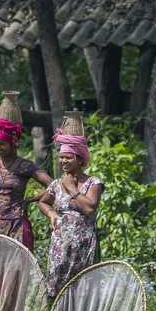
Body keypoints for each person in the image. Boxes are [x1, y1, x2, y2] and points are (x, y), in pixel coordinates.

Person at [40, 128, 103, 299]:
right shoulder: (55, 184)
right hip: (60, 244)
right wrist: (51, 213)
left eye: (68, 157)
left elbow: (90, 209)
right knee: (57, 288)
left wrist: (71, 188)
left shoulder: (93, 183)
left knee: (81, 288)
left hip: (82, 245)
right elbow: (43, 202)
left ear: (80, 158)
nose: (63, 161)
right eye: (61, 157)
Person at [0, 116, 53, 252]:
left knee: (16, 271)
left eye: (1, 143)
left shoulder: (25, 166)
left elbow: (54, 186)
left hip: (17, 226)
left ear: (13, 143)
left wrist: (30, 200)